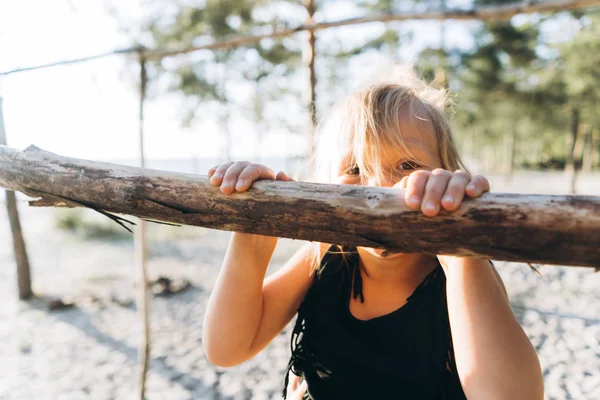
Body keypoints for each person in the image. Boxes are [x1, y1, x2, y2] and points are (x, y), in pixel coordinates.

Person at [202, 66, 543, 400]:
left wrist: (458, 247)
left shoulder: (461, 272)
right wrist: (251, 239)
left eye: (408, 166)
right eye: (355, 169)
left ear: (447, 175)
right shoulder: (325, 252)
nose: (380, 189)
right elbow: (227, 349)